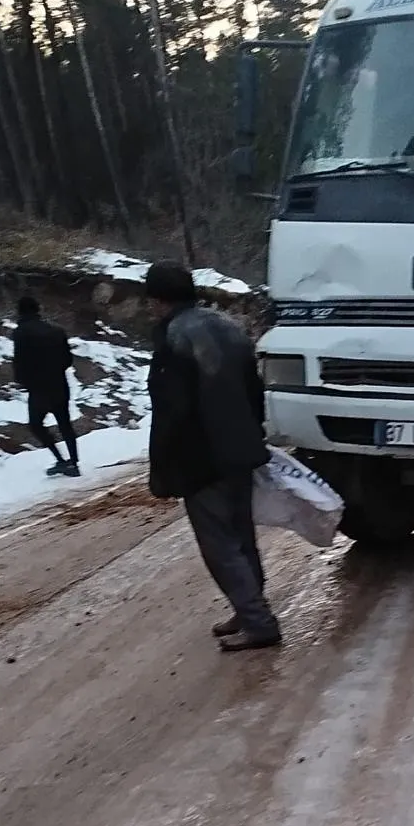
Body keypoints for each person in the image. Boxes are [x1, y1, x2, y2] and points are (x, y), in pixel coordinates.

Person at [143, 260, 280, 652]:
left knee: (219, 545)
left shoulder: (174, 338)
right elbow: (255, 391)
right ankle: (248, 609)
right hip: (240, 449)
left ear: (157, 299)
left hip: (202, 456)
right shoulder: (230, 327)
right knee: (242, 536)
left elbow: (171, 410)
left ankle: (258, 620)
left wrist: (164, 467)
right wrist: (254, 434)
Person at [12, 296, 80, 477]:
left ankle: (60, 459)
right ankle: (73, 463)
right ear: (38, 309)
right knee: (65, 424)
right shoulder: (56, 331)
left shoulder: (20, 333)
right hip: (59, 384)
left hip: (39, 388)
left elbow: (20, 361)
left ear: (19, 311)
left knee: (36, 424)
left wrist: (23, 381)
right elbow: (67, 360)